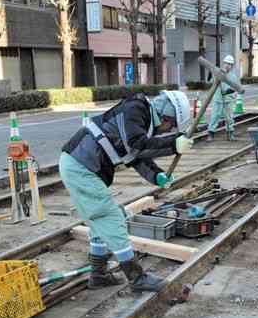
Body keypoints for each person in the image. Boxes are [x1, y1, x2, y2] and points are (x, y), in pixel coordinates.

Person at [59, 90, 193, 292]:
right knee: (111, 218)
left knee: (99, 222)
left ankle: (98, 274)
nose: (168, 129)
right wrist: (173, 144)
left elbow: (136, 156)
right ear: (166, 117)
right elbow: (137, 144)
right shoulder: (136, 108)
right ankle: (136, 277)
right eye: (171, 125)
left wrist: (156, 175)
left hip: (82, 166)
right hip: (81, 166)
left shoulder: (141, 119)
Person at [207, 55, 240, 141]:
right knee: (215, 116)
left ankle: (230, 133)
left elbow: (236, 88)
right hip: (218, 99)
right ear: (223, 63)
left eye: (229, 64)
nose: (227, 65)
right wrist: (211, 73)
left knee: (229, 118)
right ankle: (211, 134)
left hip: (228, 100)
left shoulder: (233, 76)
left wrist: (229, 91)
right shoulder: (218, 73)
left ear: (232, 66)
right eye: (226, 63)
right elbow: (210, 81)